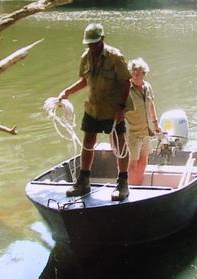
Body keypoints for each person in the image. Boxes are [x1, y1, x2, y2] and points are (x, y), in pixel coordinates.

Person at [57, 23, 132, 201]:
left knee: (119, 144)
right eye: (89, 44)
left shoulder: (115, 57)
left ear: (102, 40)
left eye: (95, 43)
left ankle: (123, 183)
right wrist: (66, 92)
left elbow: (126, 83)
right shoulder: (86, 57)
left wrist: (121, 108)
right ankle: (83, 181)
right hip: (93, 107)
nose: (92, 47)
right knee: (88, 142)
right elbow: (85, 81)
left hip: (112, 109)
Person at [124, 58, 161, 185]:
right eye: (133, 73)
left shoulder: (148, 87)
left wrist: (156, 123)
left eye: (137, 73)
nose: (134, 75)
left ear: (144, 73)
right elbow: (117, 108)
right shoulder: (126, 89)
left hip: (146, 131)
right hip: (132, 133)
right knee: (132, 162)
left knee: (144, 159)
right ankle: (130, 187)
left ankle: (138, 183)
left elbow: (151, 105)